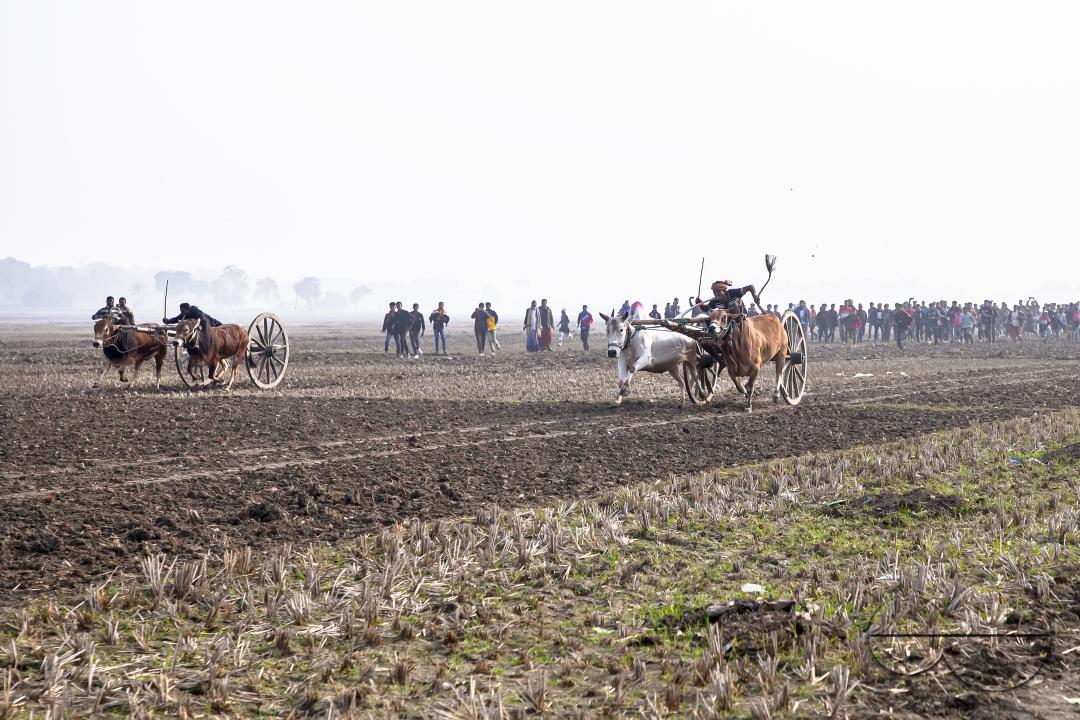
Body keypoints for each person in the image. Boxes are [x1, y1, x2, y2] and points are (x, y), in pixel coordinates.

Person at [692, 279, 762, 317]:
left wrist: (755, 296)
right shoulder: (714, 301)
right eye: (714, 292)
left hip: (741, 319)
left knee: (733, 305)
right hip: (726, 322)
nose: (716, 294)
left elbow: (750, 287)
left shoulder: (733, 292)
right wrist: (700, 303)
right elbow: (706, 309)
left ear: (724, 290)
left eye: (718, 291)